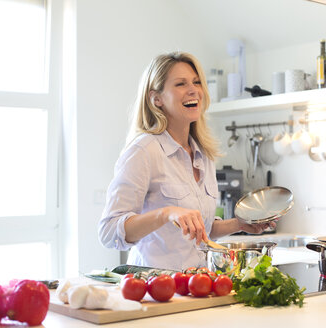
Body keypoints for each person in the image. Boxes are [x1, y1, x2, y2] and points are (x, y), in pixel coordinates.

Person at [98, 52, 275, 271]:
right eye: (181, 84)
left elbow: (201, 230)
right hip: (153, 287)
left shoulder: (204, 154)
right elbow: (108, 232)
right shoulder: (144, 151)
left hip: (195, 284)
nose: (193, 90)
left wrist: (239, 224)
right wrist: (166, 213)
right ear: (156, 99)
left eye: (197, 82)